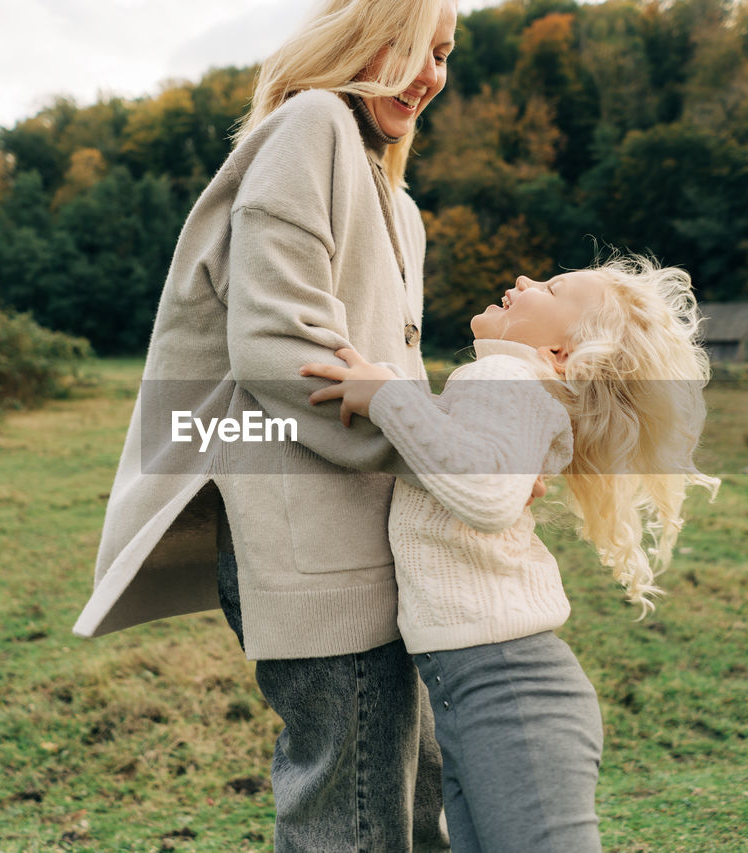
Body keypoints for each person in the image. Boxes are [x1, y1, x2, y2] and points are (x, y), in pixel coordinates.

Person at [72, 1, 460, 849]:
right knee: (352, 819)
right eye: (414, 46)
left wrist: (443, 454)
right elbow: (281, 351)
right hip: (309, 544)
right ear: (362, 37)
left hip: (383, 542)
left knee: (415, 797)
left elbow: (387, 378)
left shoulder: (400, 205)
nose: (430, 74)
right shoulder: (311, 127)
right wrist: (444, 454)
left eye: (444, 54)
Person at [299, 254, 721, 851]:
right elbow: (467, 466)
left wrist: (388, 397)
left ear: (561, 354)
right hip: (480, 687)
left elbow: (487, 494)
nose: (525, 281)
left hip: (510, 689)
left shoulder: (505, 380)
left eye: (551, 288)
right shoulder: (503, 389)